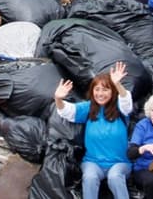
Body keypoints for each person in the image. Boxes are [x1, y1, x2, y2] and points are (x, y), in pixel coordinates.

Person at [54, 62, 133, 199]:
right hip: (93, 162)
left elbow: (126, 101)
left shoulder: (120, 108)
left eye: (105, 90)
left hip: (119, 162)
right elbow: (67, 111)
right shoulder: (89, 108)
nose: (100, 94)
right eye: (97, 90)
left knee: (115, 177)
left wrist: (117, 84)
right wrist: (58, 99)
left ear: (112, 92)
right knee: (89, 177)